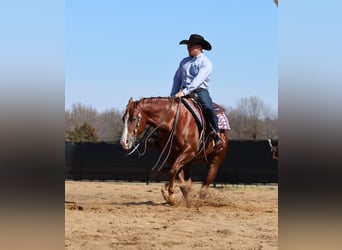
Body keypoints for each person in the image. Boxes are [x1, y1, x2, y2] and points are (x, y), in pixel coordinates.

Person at [170, 34, 224, 150]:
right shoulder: (184, 62)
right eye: (188, 46)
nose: (188, 48)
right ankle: (159, 135)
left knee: (208, 107)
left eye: (190, 46)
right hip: (182, 91)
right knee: (168, 108)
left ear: (199, 47)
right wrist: (173, 95)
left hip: (199, 91)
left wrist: (184, 92)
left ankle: (216, 134)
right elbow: (177, 78)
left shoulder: (206, 63)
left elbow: (197, 80)